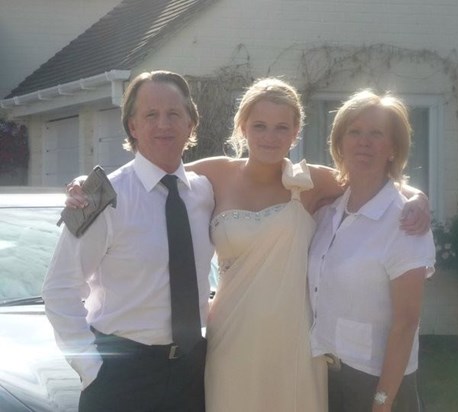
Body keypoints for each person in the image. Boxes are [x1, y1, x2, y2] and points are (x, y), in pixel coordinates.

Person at [65, 78, 431, 412]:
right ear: (242, 127)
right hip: (231, 337)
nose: (270, 137)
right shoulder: (213, 174)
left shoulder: (309, 182)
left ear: (295, 132)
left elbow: (372, 183)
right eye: (259, 126)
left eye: (281, 127)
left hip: (295, 343)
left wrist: (416, 197)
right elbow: (152, 171)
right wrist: (85, 183)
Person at [42, 71, 215, 411]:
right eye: (150, 115)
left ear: (191, 124)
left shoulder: (206, 192)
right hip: (121, 376)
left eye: (173, 114)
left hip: (192, 373)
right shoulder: (102, 197)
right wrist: (92, 368)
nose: (163, 124)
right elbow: (60, 288)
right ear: (132, 127)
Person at [307, 89, 436, 412]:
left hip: (376, 383)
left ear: (392, 149)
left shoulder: (405, 222)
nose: (363, 141)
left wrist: (381, 402)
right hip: (324, 372)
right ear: (340, 142)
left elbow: (406, 322)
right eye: (355, 132)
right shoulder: (327, 212)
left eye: (376, 134)